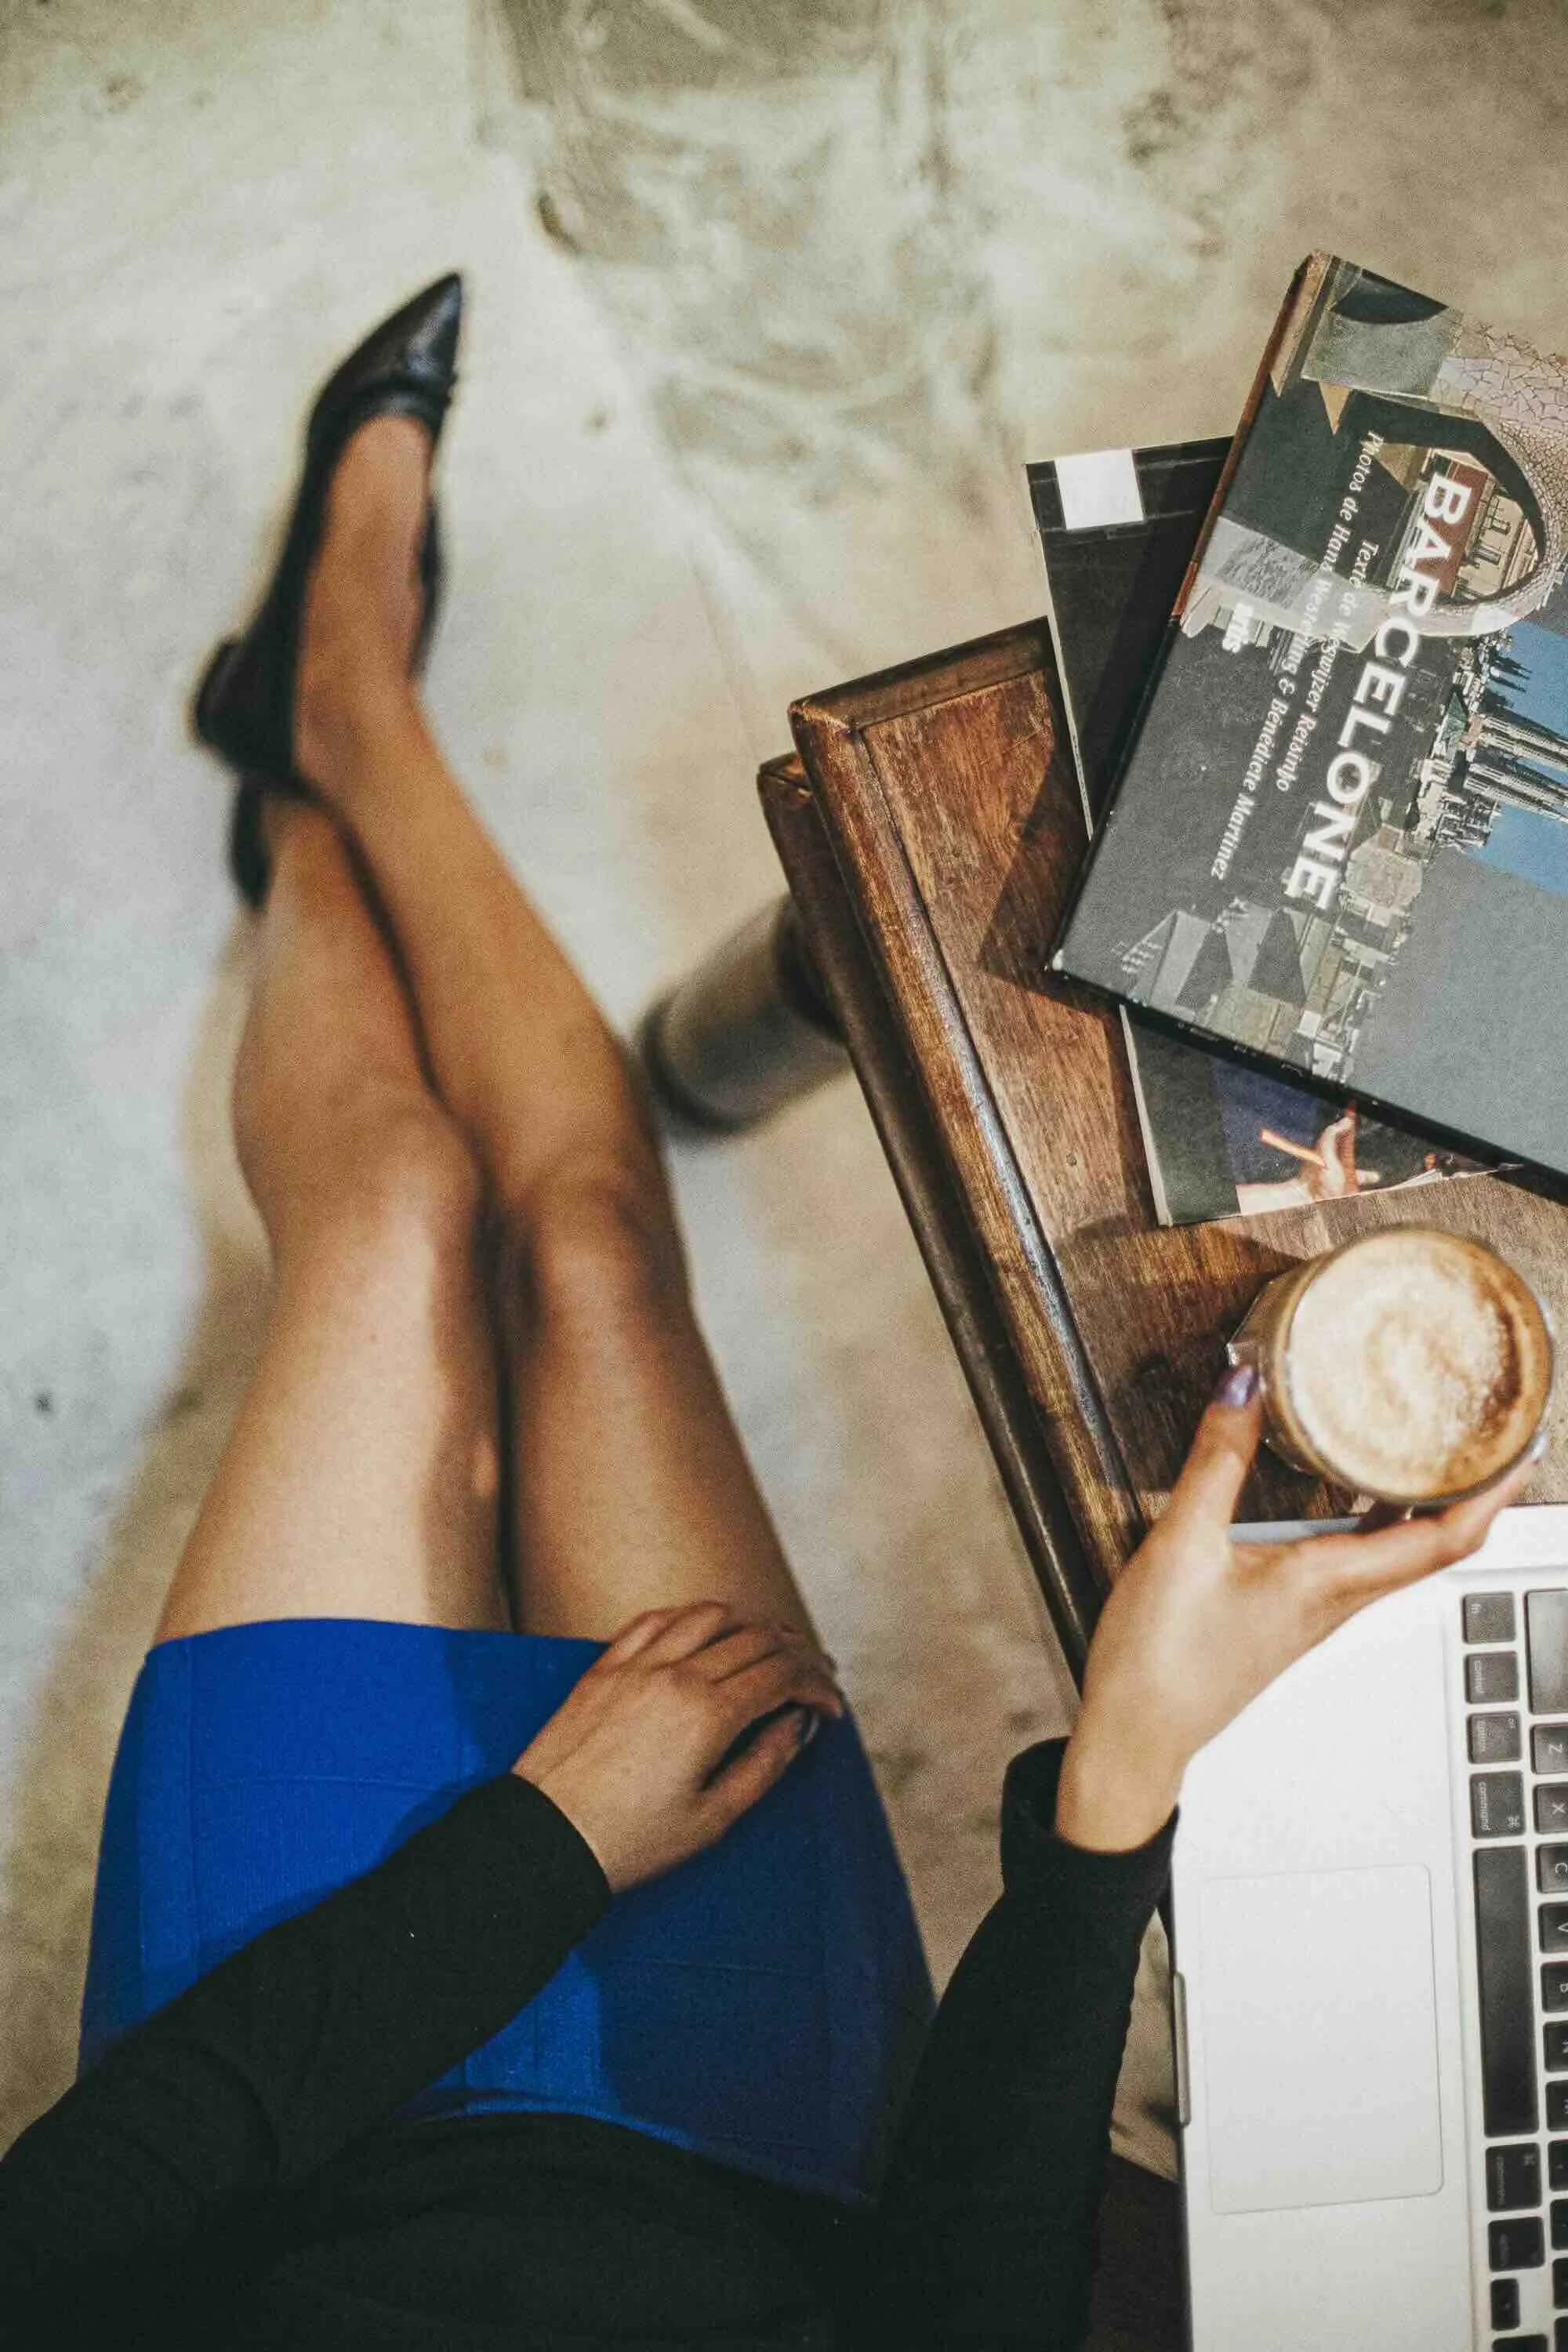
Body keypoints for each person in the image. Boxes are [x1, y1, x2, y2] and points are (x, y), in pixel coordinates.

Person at [0, 279, 1535, 2351]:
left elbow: (72, 2226)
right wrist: (1119, 1788)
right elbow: (976, 2294)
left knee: (391, 1218)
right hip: (746, 2136)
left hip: (264, 2119)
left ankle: (307, 769)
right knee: (592, 1256)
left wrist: (546, 1844)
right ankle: (347, 711)